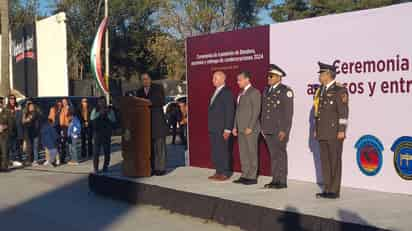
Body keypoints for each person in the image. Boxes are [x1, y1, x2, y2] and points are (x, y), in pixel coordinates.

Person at [314, 62, 349, 199]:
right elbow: (318, 113)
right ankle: (327, 188)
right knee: (325, 161)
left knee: (334, 161)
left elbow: (344, 112)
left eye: (321, 74)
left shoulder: (340, 90)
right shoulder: (321, 90)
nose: (320, 76)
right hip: (322, 131)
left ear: (328, 75)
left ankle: (334, 191)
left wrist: (342, 130)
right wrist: (316, 129)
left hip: (334, 132)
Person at [261, 64, 294, 189]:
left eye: (271, 76)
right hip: (268, 129)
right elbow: (265, 111)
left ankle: (282, 181)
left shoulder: (286, 91)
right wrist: (263, 128)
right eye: (268, 75)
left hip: (279, 130)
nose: (268, 78)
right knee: (273, 155)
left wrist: (284, 130)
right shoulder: (266, 90)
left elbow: (288, 113)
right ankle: (275, 179)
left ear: (279, 77)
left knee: (280, 154)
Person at [135, 73, 169, 176]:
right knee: (149, 148)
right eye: (143, 79)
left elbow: (162, 101)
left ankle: (161, 168)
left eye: (146, 79)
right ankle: (152, 168)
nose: (145, 81)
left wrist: (149, 102)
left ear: (150, 79)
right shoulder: (139, 91)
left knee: (159, 147)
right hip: (146, 124)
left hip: (157, 122)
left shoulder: (158, 88)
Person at [232, 71, 261, 185]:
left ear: (247, 79)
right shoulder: (240, 93)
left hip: (250, 129)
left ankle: (252, 176)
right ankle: (245, 174)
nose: (237, 82)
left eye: (239, 80)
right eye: (237, 80)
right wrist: (235, 126)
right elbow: (237, 112)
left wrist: (250, 126)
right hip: (240, 128)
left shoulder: (255, 92)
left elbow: (256, 111)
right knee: (243, 153)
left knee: (251, 152)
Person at [207, 71, 235, 181]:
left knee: (223, 151)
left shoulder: (226, 92)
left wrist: (228, 129)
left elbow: (230, 111)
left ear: (223, 79)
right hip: (214, 128)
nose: (213, 80)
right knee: (216, 151)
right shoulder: (216, 91)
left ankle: (225, 173)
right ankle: (218, 171)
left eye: (215, 78)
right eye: (213, 78)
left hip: (222, 128)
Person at [91, 96, 116, 173]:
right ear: (98, 102)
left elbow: (113, 120)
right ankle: (96, 168)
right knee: (96, 153)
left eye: (103, 102)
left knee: (107, 152)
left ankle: (105, 167)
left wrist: (108, 113)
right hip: (97, 133)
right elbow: (91, 118)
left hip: (106, 133)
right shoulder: (95, 110)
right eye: (100, 102)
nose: (102, 103)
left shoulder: (110, 110)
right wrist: (99, 113)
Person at [22, 101, 42, 166]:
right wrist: (25, 115)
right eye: (30, 106)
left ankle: (35, 161)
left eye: (32, 106)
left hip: (35, 132)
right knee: (30, 147)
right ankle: (31, 160)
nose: (31, 107)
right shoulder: (28, 113)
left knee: (35, 147)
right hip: (30, 133)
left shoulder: (34, 113)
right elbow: (23, 121)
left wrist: (25, 118)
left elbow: (26, 120)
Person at [6, 94, 23, 167]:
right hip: (9, 130)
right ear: (9, 100)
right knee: (10, 146)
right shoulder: (6, 108)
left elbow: (21, 119)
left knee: (17, 146)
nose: (12, 100)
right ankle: (12, 160)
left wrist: (18, 111)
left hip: (17, 130)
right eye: (11, 99)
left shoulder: (18, 107)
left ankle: (17, 159)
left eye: (13, 99)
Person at [0, 97, 14, 172]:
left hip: (4, 135)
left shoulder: (7, 112)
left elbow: (11, 124)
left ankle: (4, 167)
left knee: (5, 151)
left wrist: (5, 127)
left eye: (1, 102)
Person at [58, 98, 71, 164]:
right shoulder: (62, 109)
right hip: (63, 127)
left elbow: (70, 117)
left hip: (68, 127)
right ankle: (63, 158)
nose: (64, 103)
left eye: (65, 102)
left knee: (69, 144)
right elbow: (60, 119)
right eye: (63, 102)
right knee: (63, 144)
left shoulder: (69, 108)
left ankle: (69, 157)